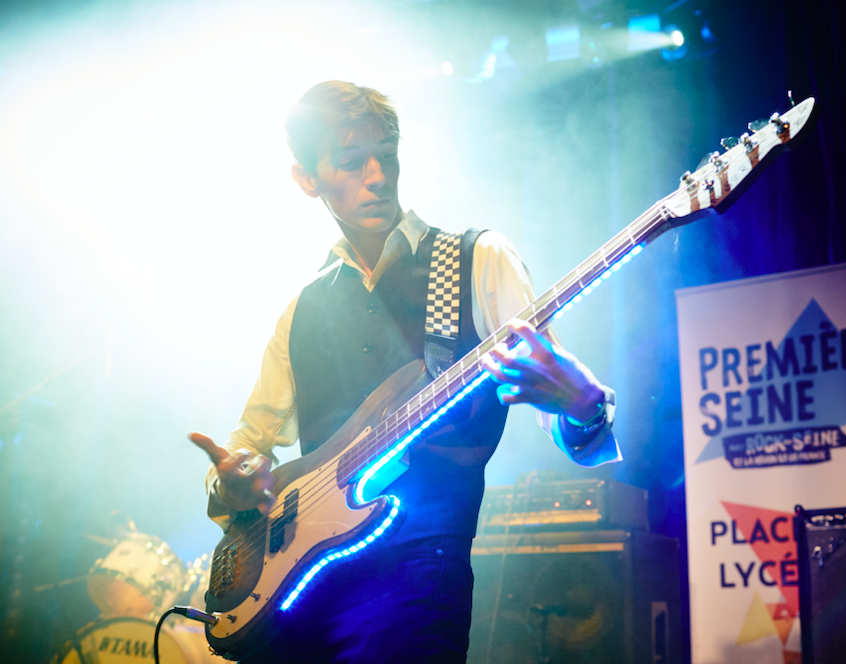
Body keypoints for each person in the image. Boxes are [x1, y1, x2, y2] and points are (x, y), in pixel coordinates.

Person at [190, 81, 620, 663]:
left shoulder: (475, 257)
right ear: (306, 179)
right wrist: (233, 482)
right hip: (294, 592)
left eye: (386, 155)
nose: (377, 175)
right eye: (350, 161)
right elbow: (246, 447)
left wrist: (583, 403)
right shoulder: (301, 310)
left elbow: (565, 421)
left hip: (417, 575)